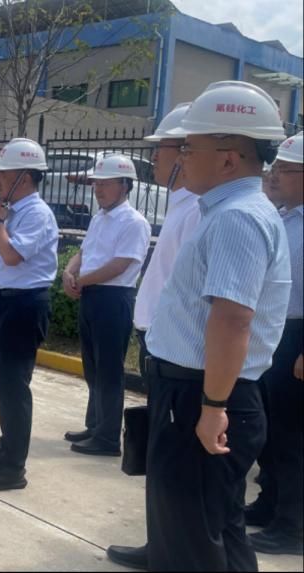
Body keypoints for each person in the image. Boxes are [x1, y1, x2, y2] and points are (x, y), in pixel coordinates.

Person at [143, 81, 291, 571]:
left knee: (193, 540)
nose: (181, 158)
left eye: (190, 147)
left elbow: (232, 320)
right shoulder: (228, 211)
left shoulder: (237, 219)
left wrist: (212, 408)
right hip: (199, 392)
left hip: (203, 395)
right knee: (215, 530)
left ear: (228, 159)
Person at [105, 103, 202, 570]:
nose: (154, 159)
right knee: (160, 457)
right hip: (158, 344)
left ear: (184, 152)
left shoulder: (199, 211)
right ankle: (160, 543)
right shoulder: (181, 207)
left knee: (176, 460)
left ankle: (171, 549)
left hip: (179, 353)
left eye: (160, 149)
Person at [0, 138, 58, 491]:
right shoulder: (14, 212)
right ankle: (6, 450)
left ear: (25, 177)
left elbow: (11, 256)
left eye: (4, 174)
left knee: (13, 386)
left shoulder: (36, 213)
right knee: (0, 382)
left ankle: (13, 468)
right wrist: (2, 219)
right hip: (5, 304)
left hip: (25, 305)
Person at [63, 154, 151, 457]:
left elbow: (120, 264)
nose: (98, 189)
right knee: (93, 366)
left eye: (105, 184)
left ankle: (108, 437)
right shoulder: (99, 217)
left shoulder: (134, 222)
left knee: (109, 370)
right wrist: (69, 271)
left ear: (125, 185)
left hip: (113, 299)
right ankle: (95, 424)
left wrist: (81, 280)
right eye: (96, 184)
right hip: (92, 295)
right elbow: (84, 252)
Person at [244, 131, 303, 556]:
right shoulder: (283, 218)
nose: (274, 175)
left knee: (293, 436)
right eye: (275, 167)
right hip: (274, 333)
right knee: (271, 432)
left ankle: (293, 526)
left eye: (285, 169)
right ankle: (270, 503)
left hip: (297, 336)